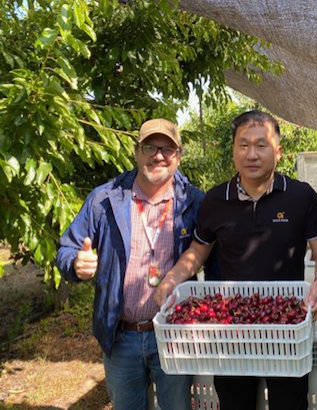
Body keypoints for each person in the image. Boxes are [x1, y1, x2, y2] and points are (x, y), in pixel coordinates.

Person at [154, 110, 317, 410]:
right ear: (233, 150)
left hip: (286, 327)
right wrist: (172, 279)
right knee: (234, 402)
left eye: (261, 145)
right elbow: (199, 251)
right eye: (243, 144)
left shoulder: (300, 197)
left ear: (278, 151)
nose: (252, 154)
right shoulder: (215, 200)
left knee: (289, 404)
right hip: (232, 329)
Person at [56, 118, 218, 410]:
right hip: (121, 337)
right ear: (136, 152)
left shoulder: (193, 202)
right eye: (150, 147)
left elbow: (212, 256)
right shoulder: (105, 199)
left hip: (173, 334)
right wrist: (75, 264)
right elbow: (68, 247)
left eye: (168, 149)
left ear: (179, 156)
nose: (159, 155)